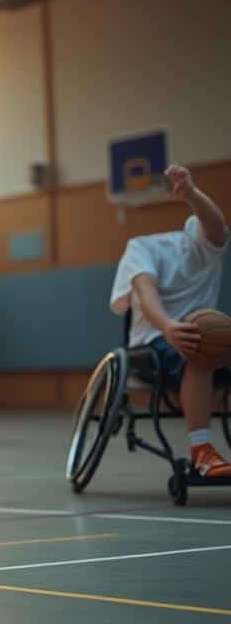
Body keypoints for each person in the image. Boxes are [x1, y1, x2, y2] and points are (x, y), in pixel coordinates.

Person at [110, 164, 230, 476]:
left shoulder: (206, 246)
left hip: (201, 334)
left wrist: (190, 193)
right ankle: (202, 449)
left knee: (204, 337)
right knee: (200, 340)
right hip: (151, 344)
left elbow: (216, 226)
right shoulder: (140, 249)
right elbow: (146, 292)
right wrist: (168, 327)